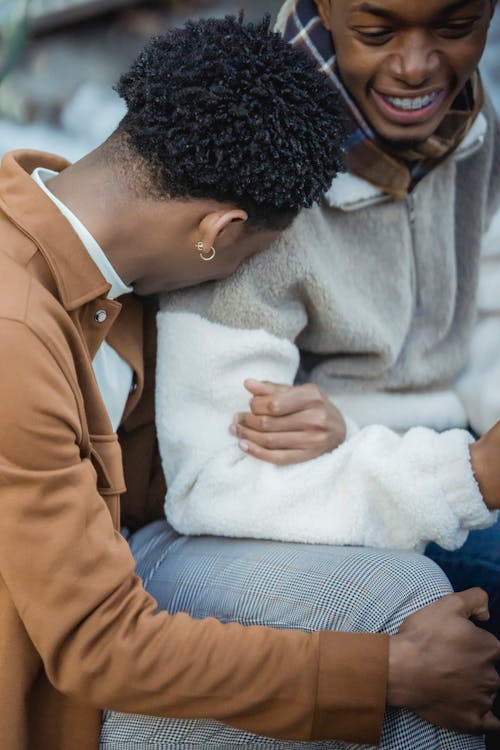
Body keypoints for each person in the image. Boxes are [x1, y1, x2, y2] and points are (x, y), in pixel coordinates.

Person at [101, 2, 500, 749]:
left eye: (456, 26)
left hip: (423, 458)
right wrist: (472, 472)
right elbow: (214, 483)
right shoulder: (248, 168)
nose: (417, 66)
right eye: (377, 32)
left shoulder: (473, 129)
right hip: (341, 496)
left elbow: (482, 315)